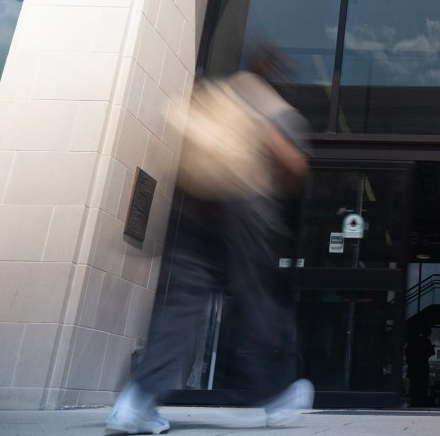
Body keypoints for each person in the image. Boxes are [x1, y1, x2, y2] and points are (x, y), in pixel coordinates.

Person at [106, 47, 314, 435]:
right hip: (243, 204)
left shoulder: (220, 93)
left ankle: (135, 401)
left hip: (193, 204)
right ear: (278, 77)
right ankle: (273, 396)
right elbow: (292, 163)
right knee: (257, 298)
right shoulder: (271, 104)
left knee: (179, 305)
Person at [404, 327, 435, 407]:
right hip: (422, 366)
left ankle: (415, 401)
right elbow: (430, 353)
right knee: (422, 385)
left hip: (414, 367)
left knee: (415, 384)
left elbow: (408, 355)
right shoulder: (426, 341)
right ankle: (421, 401)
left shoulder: (412, 342)